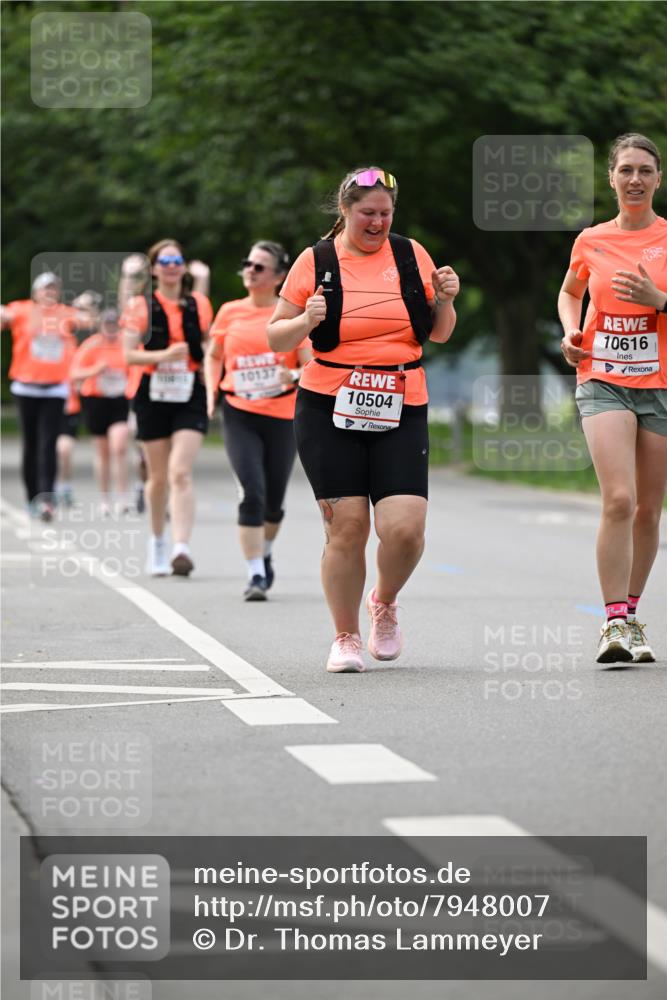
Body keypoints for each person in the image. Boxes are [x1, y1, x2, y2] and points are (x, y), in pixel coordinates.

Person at [267, 167, 459, 672]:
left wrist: (447, 299)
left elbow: (438, 334)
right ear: (345, 211)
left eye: (385, 214)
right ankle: (345, 636)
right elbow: (276, 338)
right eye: (367, 214)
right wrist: (306, 321)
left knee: (405, 529)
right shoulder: (317, 260)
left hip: (401, 397)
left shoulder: (410, 253)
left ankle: (385, 601)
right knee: (347, 527)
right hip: (329, 403)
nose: (376, 223)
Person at [559, 133, 667, 666]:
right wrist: (569, 331)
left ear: (658, 179)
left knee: (649, 510)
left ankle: (633, 615)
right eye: (626, 169)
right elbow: (569, 291)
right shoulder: (591, 240)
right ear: (611, 177)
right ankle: (613, 623)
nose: (635, 179)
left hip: (661, 385)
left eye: (645, 170)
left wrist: (659, 301)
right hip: (601, 377)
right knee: (620, 500)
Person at [204, 241, 311, 600]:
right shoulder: (230, 311)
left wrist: (292, 376)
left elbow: (309, 363)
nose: (250, 270)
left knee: (273, 502)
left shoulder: (291, 317)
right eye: (247, 263)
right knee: (252, 492)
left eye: (260, 266)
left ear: (280, 277)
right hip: (239, 411)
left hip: (282, 415)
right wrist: (210, 394)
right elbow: (213, 356)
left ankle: (264, 554)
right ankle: (255, 576)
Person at [121, 239, 213, 576]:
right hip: (150, 392)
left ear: (184, 266)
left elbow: (205, 342)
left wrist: (207, 365)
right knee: (158, 477)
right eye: (165, 260)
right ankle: (157, 542)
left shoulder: (199, 303)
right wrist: (161, 356)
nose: (172, 265)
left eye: (177, 259)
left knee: (180, 471)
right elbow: (128, 354)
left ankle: (181, 547)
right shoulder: (140, 306)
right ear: (155, 268)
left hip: (189, 392)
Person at [1, 272, 78, 520]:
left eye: (53, 289)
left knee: (48, 443)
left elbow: (87, 319)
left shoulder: (64, 314)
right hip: (26, 387)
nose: (49, 293)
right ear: (35, 293)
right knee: (31, 444)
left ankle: (47, 498)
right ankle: (31, 496)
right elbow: (5, 317)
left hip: (55, 388)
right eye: (45, 289)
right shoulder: (22, 310)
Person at [70, 307, 131, 514]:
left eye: (115, 324)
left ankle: (123, 497)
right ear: (101, 326)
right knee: (103, 452)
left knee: (120, 446)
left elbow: (140, 368)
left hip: (120, 400)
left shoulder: (127, 344)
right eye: (107, 324)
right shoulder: (92, 345)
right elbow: (74, 373)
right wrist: (95, 370)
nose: (111, 328)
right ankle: (105, 498)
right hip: (96, 400)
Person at [55, 290, 104, 507]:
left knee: (64, 448)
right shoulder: (58, 325)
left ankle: (64, 486)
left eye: (85, 309)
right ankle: (44, 486)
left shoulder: (93, 336)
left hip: (70, 398)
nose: (80, 313)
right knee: (45, 445)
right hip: (44, 392)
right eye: (78, 308)